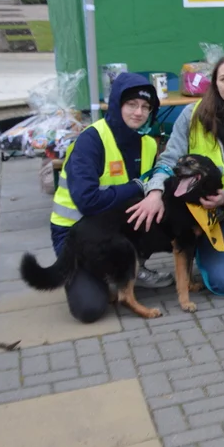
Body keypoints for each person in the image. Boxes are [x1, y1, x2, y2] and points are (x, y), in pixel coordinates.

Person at [128, 55, 224, 294]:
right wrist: (155, 190)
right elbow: (169, 161)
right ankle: (203, 244)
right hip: (201, 215)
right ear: (215, 84)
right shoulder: (192, 115)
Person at [50, 72, 170, 323]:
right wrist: (136, 186)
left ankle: (132, 266)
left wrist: (155, 192)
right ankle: (104, 274)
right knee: (90, 309)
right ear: (117, 104)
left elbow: (150, 185)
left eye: (145, 107)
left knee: (166, 215)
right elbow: (87, 201)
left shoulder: (148, 143)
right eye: (131, 105)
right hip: (75, 235)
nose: (138, 112)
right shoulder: (91, 141)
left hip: (113, 227)